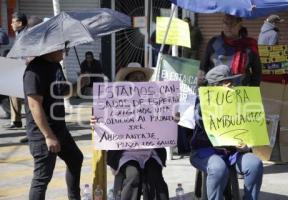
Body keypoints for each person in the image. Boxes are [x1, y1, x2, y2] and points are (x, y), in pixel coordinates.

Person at [91, 63, 169, 200]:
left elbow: (166, 123)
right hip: (125, 153)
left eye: (142, 78)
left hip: (150, 152)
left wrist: (172, 118)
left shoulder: (156, 100)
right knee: (133, 175)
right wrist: (95, 122)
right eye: (135, 78)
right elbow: (102, 119)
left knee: (154, 175)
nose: (139, 81)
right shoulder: (115, 100)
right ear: (126, 82)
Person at [190, 64, 263, 200]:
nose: (231, 85)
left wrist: (247, 145)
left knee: (255, 164)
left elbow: (249, 130)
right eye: (225, 82)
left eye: (232, 82)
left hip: (234, 153)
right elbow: (198, 119)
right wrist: (206, 106)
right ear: (213, 86)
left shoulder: (241, 101)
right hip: (206, 151)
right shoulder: (200, 103)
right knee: (218, 168)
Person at [23, 48, 85, 200]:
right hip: (43, 134)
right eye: (62, 49)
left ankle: (74, 197)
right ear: (49, 48)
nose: (65, 52)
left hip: (60, 129)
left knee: (76, 158)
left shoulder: (56, 65)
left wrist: (80, 83)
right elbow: (34, 105)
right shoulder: (34, 71)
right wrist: (49, 136)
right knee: (42, 178)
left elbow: (64, 92)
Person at [199, 14, 261, 87]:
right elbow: (203, 69)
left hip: (241, 93)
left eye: (232, 24)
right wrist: (201, 89)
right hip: (216, 92)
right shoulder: (214, 42)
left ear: (240, 25)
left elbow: (257, 73)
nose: (228, 27)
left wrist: (252, 92)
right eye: (225, 23)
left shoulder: (250, 45)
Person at [4, 12, 27, 129]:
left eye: (13, 22)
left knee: (29, 97)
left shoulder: (25, 35)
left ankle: (30, 123)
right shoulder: (19, 34)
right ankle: (16, 121)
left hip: (24, 69)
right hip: (17, 68)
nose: (11, 24)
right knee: (13, 92)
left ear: (20, 23)